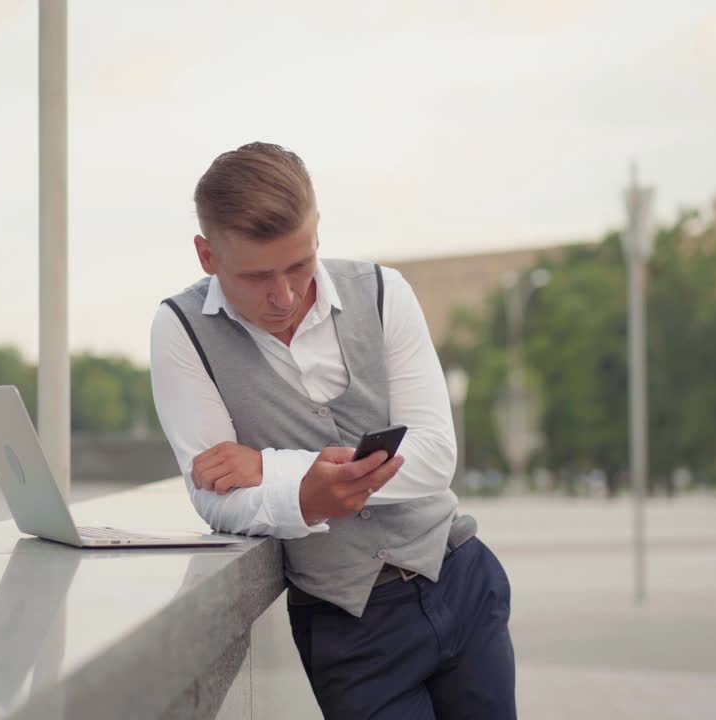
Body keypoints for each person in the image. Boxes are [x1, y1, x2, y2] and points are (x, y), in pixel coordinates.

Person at [150, 142, 515, 719]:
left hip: (459, 577)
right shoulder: (180, 330)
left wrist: (275, 470)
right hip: (351, 629)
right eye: (257, 276)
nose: (285, 294)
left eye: (300, 264)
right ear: (206, 254)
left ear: (316, 230)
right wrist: (305, 496)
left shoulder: (382, 290)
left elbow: (435, 456)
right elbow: (214, 493)